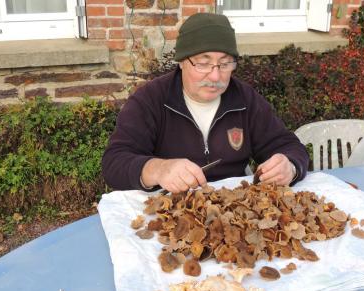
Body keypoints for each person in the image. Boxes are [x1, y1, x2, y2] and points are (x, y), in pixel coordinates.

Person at [102, 12, 309, 193]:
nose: (215, 76)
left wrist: (289, 167)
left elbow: (288, 145)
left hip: (233, 213)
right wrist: (158, 169)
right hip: (167, 215)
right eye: (203, 63)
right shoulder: (150, 100)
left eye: (225, 63)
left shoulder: (245, 99)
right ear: (182, 62)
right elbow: (114, 163)